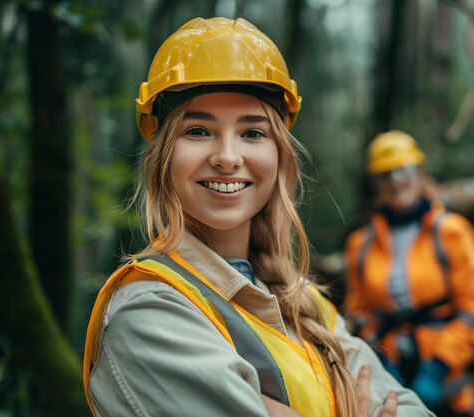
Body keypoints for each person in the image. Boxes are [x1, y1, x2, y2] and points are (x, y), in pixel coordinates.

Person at [82, 17, 435, 417]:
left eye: (253, 133)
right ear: (164, 156)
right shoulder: (148, 311)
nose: (228, 157)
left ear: (279, 156)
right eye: (198, 130)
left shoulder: (308, 303)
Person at [343, 130, 474, 417]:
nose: (396, 181)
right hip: (391, 375)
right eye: (385, 175)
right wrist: (380, 360)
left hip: (446, 376)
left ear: (420, 172)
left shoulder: (452, 231)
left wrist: (438, 367)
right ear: (375, 183)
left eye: (403, 170)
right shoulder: (359, 245)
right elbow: (358, 311)